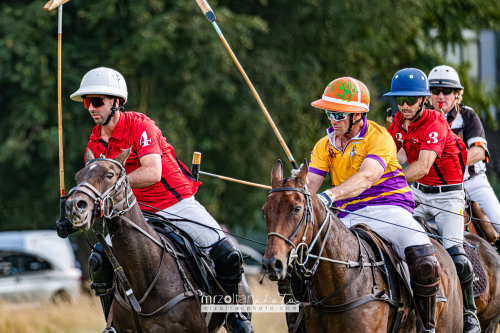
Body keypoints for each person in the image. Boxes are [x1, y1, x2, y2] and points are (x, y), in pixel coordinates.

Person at [55, 67, 253, 332]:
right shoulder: (95, 144)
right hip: (136, 213)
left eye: (97, 101)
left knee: (227, 253)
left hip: (176, 204)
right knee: (98, 262)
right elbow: (98, 195)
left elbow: (153, 172)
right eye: (88, 102)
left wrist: (115, 185)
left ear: (116, 102)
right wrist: (74, 220)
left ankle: (235, 315)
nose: (91, 107)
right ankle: (112, 324)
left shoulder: (140, 125)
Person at [304, 77, 440, 333]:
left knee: (424, 260)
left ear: (357, 115)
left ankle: (426, 325)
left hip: (388, 209)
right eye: (328, 113)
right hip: (346, 215)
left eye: (337, 114)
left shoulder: (379, 137)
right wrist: (295, 191)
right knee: (304, 261)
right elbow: (311, 184)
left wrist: (329, 196)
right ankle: (302, 320)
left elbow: (368, 176)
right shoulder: (324, 145)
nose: (332, 120)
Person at [386, 68, 480, 333]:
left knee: (456, 257)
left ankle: (470, 313)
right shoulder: (396, 123)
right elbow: (388, 158)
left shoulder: (435, 121)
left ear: (423, 100)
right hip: (418, 193)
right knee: (392, 241)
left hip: (448, 197)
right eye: (399, 100)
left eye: (410, 100)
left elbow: (423, 166)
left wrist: (388, 182)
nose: (404, 106)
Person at [429, 65, 500, 238]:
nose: (440, 96)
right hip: (433, 187)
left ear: (456, 94)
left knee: (498, 221)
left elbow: (479, 152)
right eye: (435, 90)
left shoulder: (467, 115)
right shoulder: (422, 118)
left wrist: (448, 160)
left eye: (446, 91)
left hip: (471, 183)